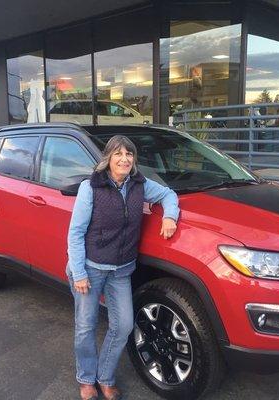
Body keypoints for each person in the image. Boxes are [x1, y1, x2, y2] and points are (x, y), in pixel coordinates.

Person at [66, 135, 180, 400]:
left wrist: (170, 216)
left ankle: (104, 377)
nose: (124, 159)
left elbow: (168, 194)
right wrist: (80, 273)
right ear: (108, 158)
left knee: (124, 326)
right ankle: (86, 380)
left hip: (121, 270)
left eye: (129, 154)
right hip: (90, 269)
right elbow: (75, 233)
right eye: (118, 154)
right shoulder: (91, 187)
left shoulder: (139, 184)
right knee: (86, 326)